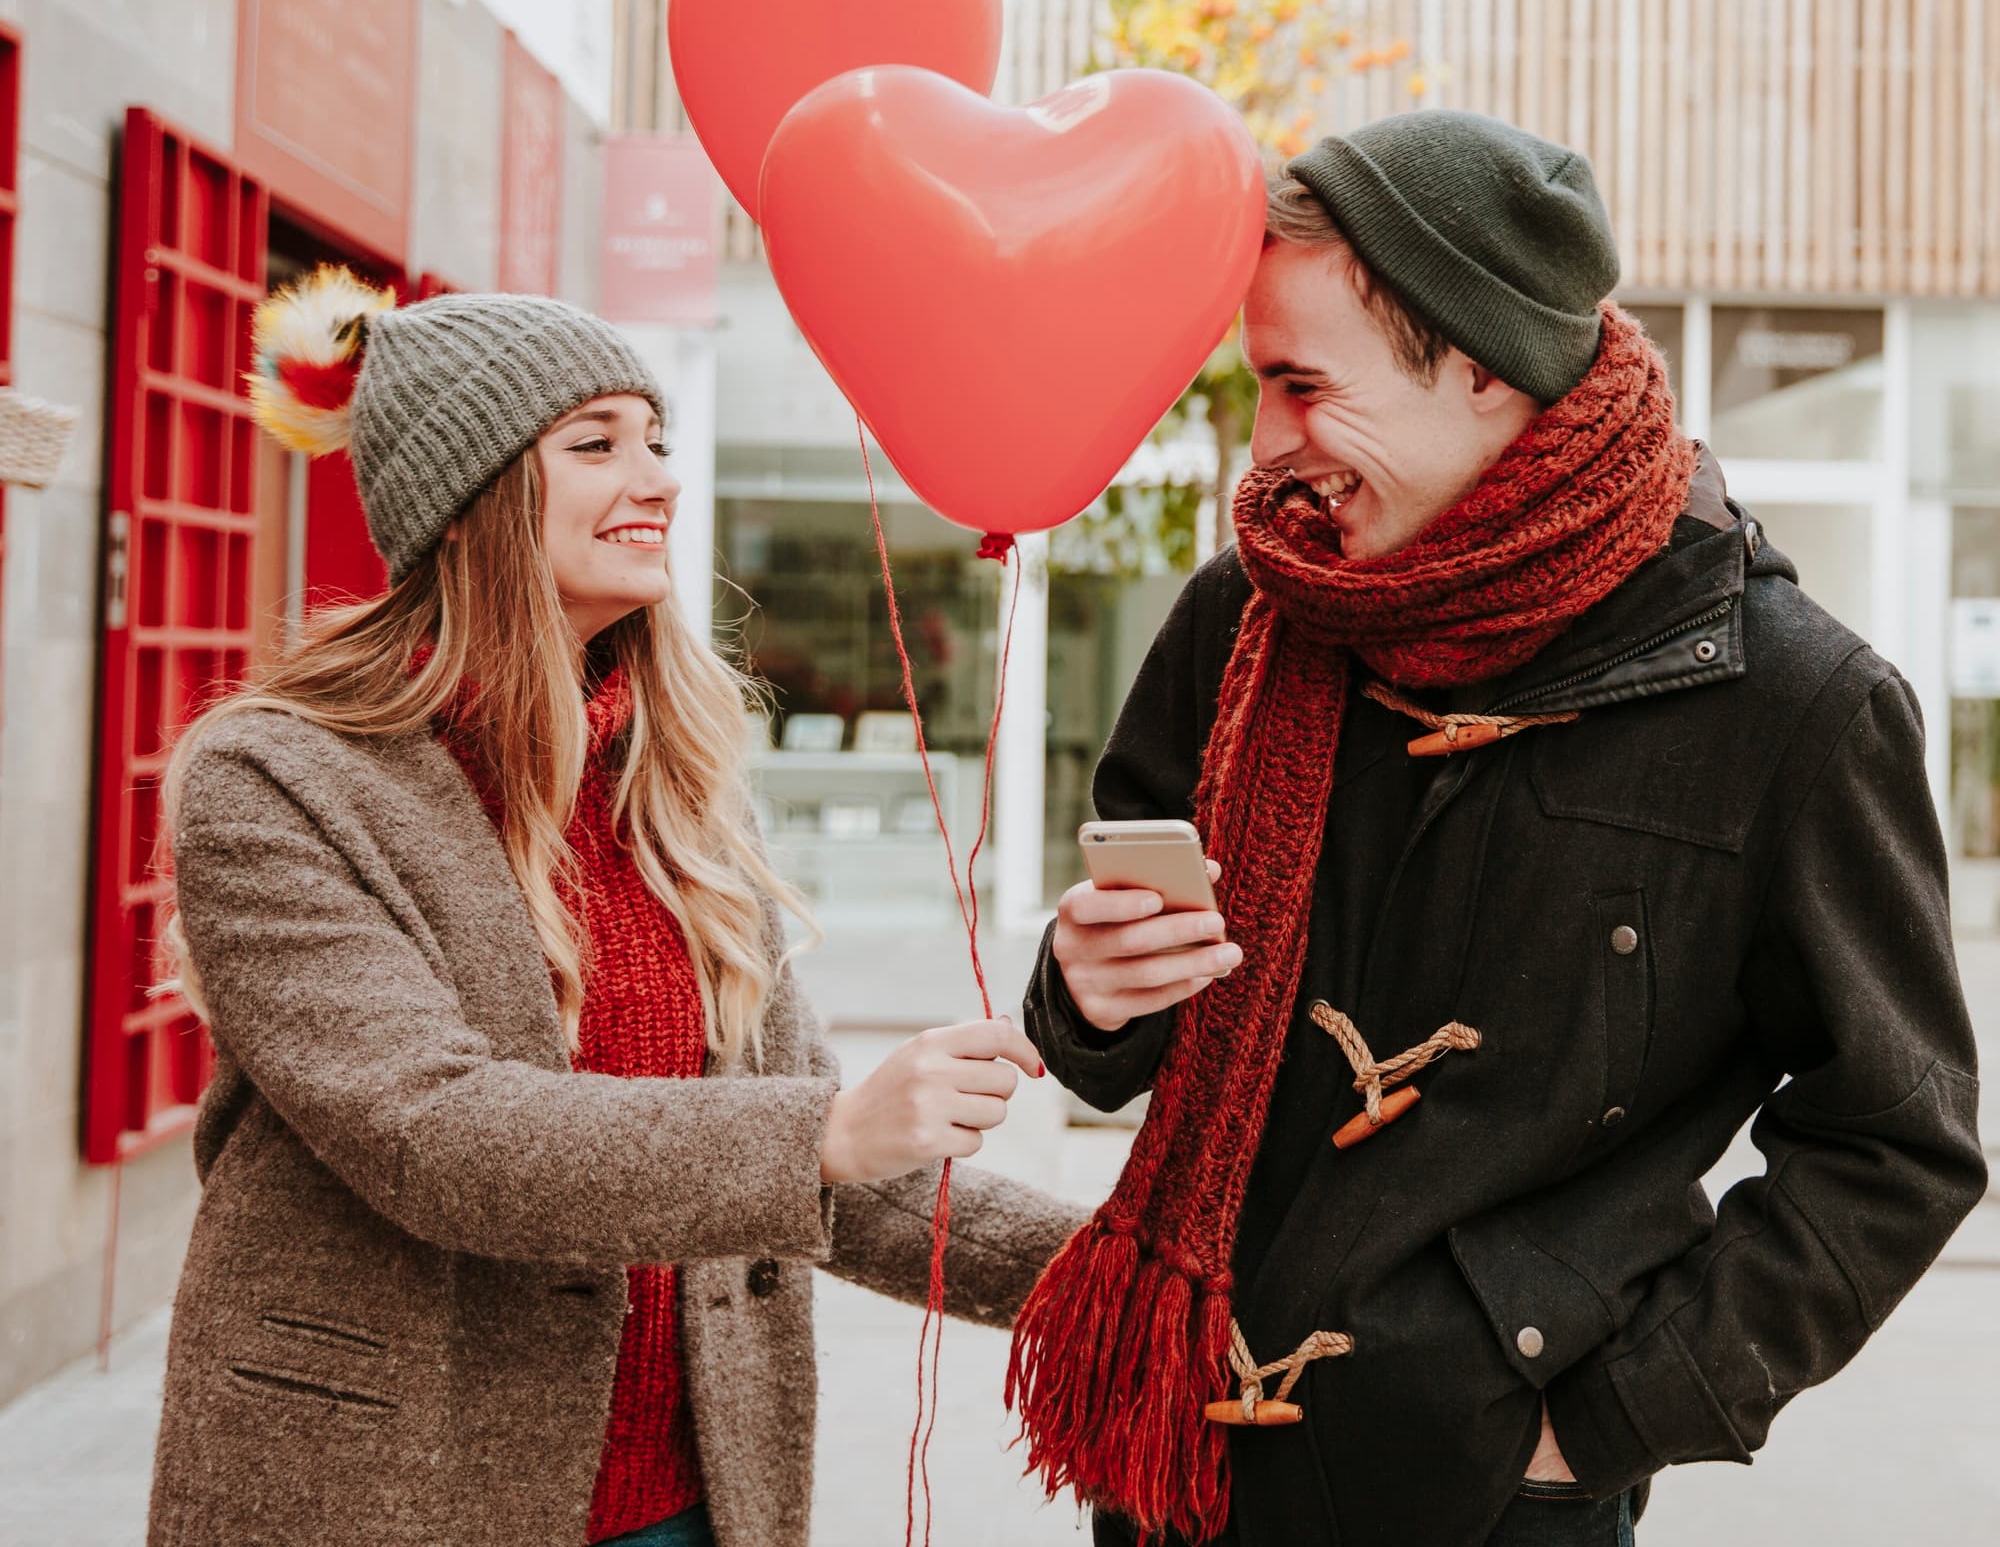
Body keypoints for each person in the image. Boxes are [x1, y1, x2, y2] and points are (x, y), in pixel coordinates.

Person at [1009, 111, 1985, 1547]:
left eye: (1300, 386)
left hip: (1491, 1505)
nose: (1268, 451)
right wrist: (1083, 993)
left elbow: (1897, 1145)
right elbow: (1125, 1008)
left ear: (1479, 363)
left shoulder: (1797, 704)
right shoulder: (1246, 616)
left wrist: (1593, 1424)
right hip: (1179, 1474)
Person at [148, 269, 1078, 1547]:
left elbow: (844, 1176)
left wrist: (1127, 1275)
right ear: (468, 500)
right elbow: (433, 1130)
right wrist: (825, 1130)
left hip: (691, 1500)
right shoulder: (280, 777)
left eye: (658, 440)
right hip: (386, 1485)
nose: (657, 479)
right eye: (596, 443)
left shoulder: (675, 778)